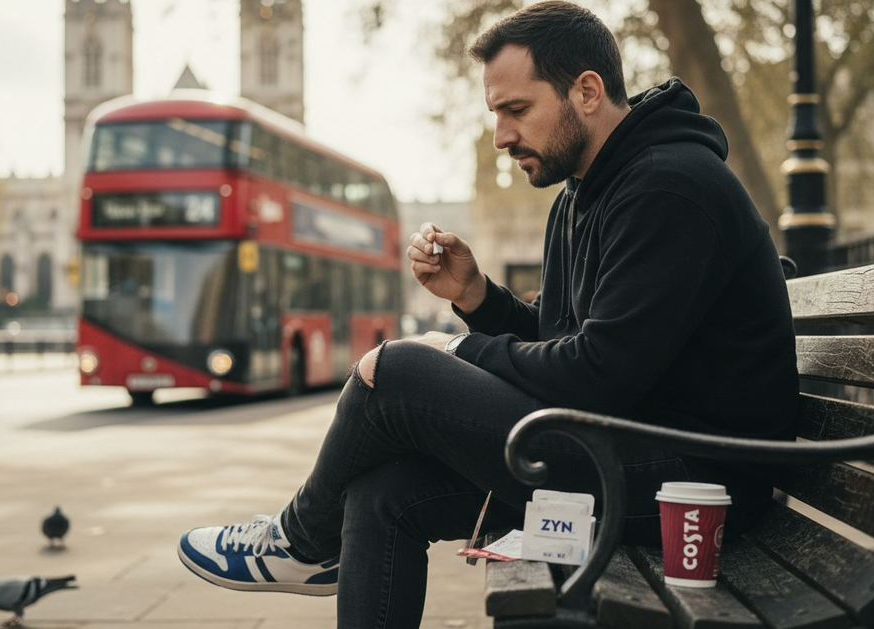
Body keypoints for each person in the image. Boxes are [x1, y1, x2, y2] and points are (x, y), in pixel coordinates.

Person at [177, 2, 799, 627]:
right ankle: (310, 544)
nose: (501, 136)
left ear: (586, 91)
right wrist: (478, 300)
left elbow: (599, 374)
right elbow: (566, 346)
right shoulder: (582, 194)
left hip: (694, 485)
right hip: (625, 448)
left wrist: (456, 351)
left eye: (516, 110)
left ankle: (300, 541)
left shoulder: (670, 187)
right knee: (380, 494)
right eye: (496, 114)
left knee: (394, 370)